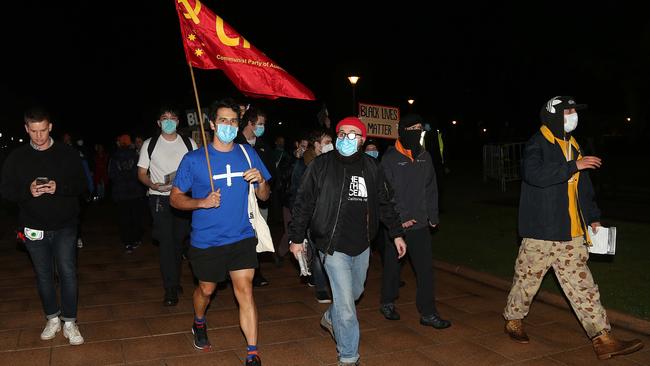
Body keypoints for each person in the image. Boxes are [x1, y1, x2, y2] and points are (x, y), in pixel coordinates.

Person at [503, 96, 643, 360]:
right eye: (568, 111)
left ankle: (603, 338)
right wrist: (573, 166)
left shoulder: (573, 145)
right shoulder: (539, 143)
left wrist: (593, 217)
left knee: (584, 286)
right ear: (554, 115)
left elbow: (584, 186)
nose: (573, 116)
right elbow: (534, 175)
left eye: (574, 111)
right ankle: (513, 319)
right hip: (542, 232)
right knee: (526, 281)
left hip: (572, 232)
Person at [289, 117, 406, 366]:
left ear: (362, 140)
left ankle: (331, 317)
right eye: (342, 133)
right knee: (346, 306)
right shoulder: (321, 165)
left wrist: (396, 233)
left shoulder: (372, 168)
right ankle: (349, 357)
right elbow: (303, 202)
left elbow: (385, 203)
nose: (345, 138)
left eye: (353, 134)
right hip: (331, 245)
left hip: (362, 243)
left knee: (355, 293)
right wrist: (296, 237)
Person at [170, 99, 269, 366]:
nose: (228, 125)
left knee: (245, 289)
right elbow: (175, 198)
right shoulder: (194, 159)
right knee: (206, 289)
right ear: (212, 124)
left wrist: (259, 180)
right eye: (223, 120)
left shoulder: (248, 154)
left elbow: (265, 195)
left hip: (241, 236)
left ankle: (252, 352)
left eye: (233, 121)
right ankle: (199, 321)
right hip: (206, 240)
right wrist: (201, 202)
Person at [0, 106, 87, 345]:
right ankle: (52, 318)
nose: (39, 136)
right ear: (26, 129)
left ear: (50, 127)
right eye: (34, 131)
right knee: (43, 275)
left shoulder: (66, 153)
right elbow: (6, 192)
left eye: (43, 130)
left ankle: (70, 321)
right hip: (33, 226)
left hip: (65, 225)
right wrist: (26, 192)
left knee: (68, 272)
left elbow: (82, 185)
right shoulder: (16, 158)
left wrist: (60, 188)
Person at [378, 114, 451, 329]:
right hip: (396, 225)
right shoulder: (390, 158)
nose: (417, 131)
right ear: (403, 131)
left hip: (419, 224)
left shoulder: (424, 157)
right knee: (393, 266)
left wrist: (433, 215)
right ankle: (387, 302)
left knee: (425, 269)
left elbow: (431, 188)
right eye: (413, 128)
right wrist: (401, 218)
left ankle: (428, 312)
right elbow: (386, 193)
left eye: (420, 127)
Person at [137, 106, 197, 306]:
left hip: (182, 198)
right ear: (158, 122)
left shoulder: (190, 143)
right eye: (165, 118)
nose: (169, 121)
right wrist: (152, 184)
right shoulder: (149, 144)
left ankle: (175, 278)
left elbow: (198, 169)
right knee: (166, 243)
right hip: (158, 199)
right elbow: (141, 173)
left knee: (179, 240)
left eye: (173, 118)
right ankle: (170, 288)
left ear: (179, 121)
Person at [235, 105, 272, 287]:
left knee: (257, 236)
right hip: (240, 199)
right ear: (250, 123)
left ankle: (255, 273)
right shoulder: (235, 142)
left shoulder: (263, 146)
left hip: (260, 197)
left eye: (263, 124)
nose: (262, 127)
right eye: (259, 124)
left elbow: (270, 172)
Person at [109, 134, 146, 253]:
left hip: (121, 193)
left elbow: (111, 174)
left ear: (120, 143)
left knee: (124, 219)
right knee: (136, 217)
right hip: (135, 192)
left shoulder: (114, 157)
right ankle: (136, 239)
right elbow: (140, 173)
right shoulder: (136, 156)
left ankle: (127, 242)